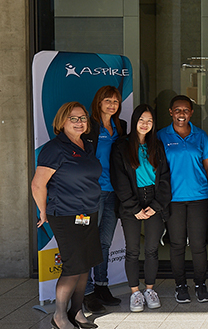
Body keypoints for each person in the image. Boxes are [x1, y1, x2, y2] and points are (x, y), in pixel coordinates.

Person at [31, 102, 102, 329]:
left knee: (85, 264)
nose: (80, 122)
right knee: (73, 266)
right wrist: (43, 211)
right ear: (61, 122)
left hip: (88, 212)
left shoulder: (86, 145)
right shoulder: (54, 148)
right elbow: (38, 184)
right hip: (65, 214)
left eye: (83, 118)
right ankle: (59, 316)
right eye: (74, 118)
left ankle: (76, 312)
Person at [110, 104, 171, 313]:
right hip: (131, 202)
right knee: (133, 250)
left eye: (150, 121)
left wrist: (155, 207)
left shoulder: (157, 145)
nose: (145, 124)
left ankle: (150, 289)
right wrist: (133, 207)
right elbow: (119, 181)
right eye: (141, 120)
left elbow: (164, 178)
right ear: (135, 121)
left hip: (153, 200)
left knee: (152, 249)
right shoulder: (121, 146)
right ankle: (135, 292)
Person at [157, 95, 208, 303]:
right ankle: (180, 285)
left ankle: (200, 284)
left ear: (191, 113)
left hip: (199, 197)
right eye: (177, 110)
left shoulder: (200, 136)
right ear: (170, 112)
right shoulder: (161, 136)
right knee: (177, 244)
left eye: (185, 110)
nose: (181, 114)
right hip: (172, 199)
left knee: (199, 245)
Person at [81, 86, 127, 312]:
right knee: (88, 242)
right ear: (98, 102)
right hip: (92, 192)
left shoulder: (121, 126)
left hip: (113, 193)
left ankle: (101, 286)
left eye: (115, 101)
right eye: (107, 100)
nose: (111, 104)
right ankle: (86, 292)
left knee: (104, 243)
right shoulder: (88, 126)